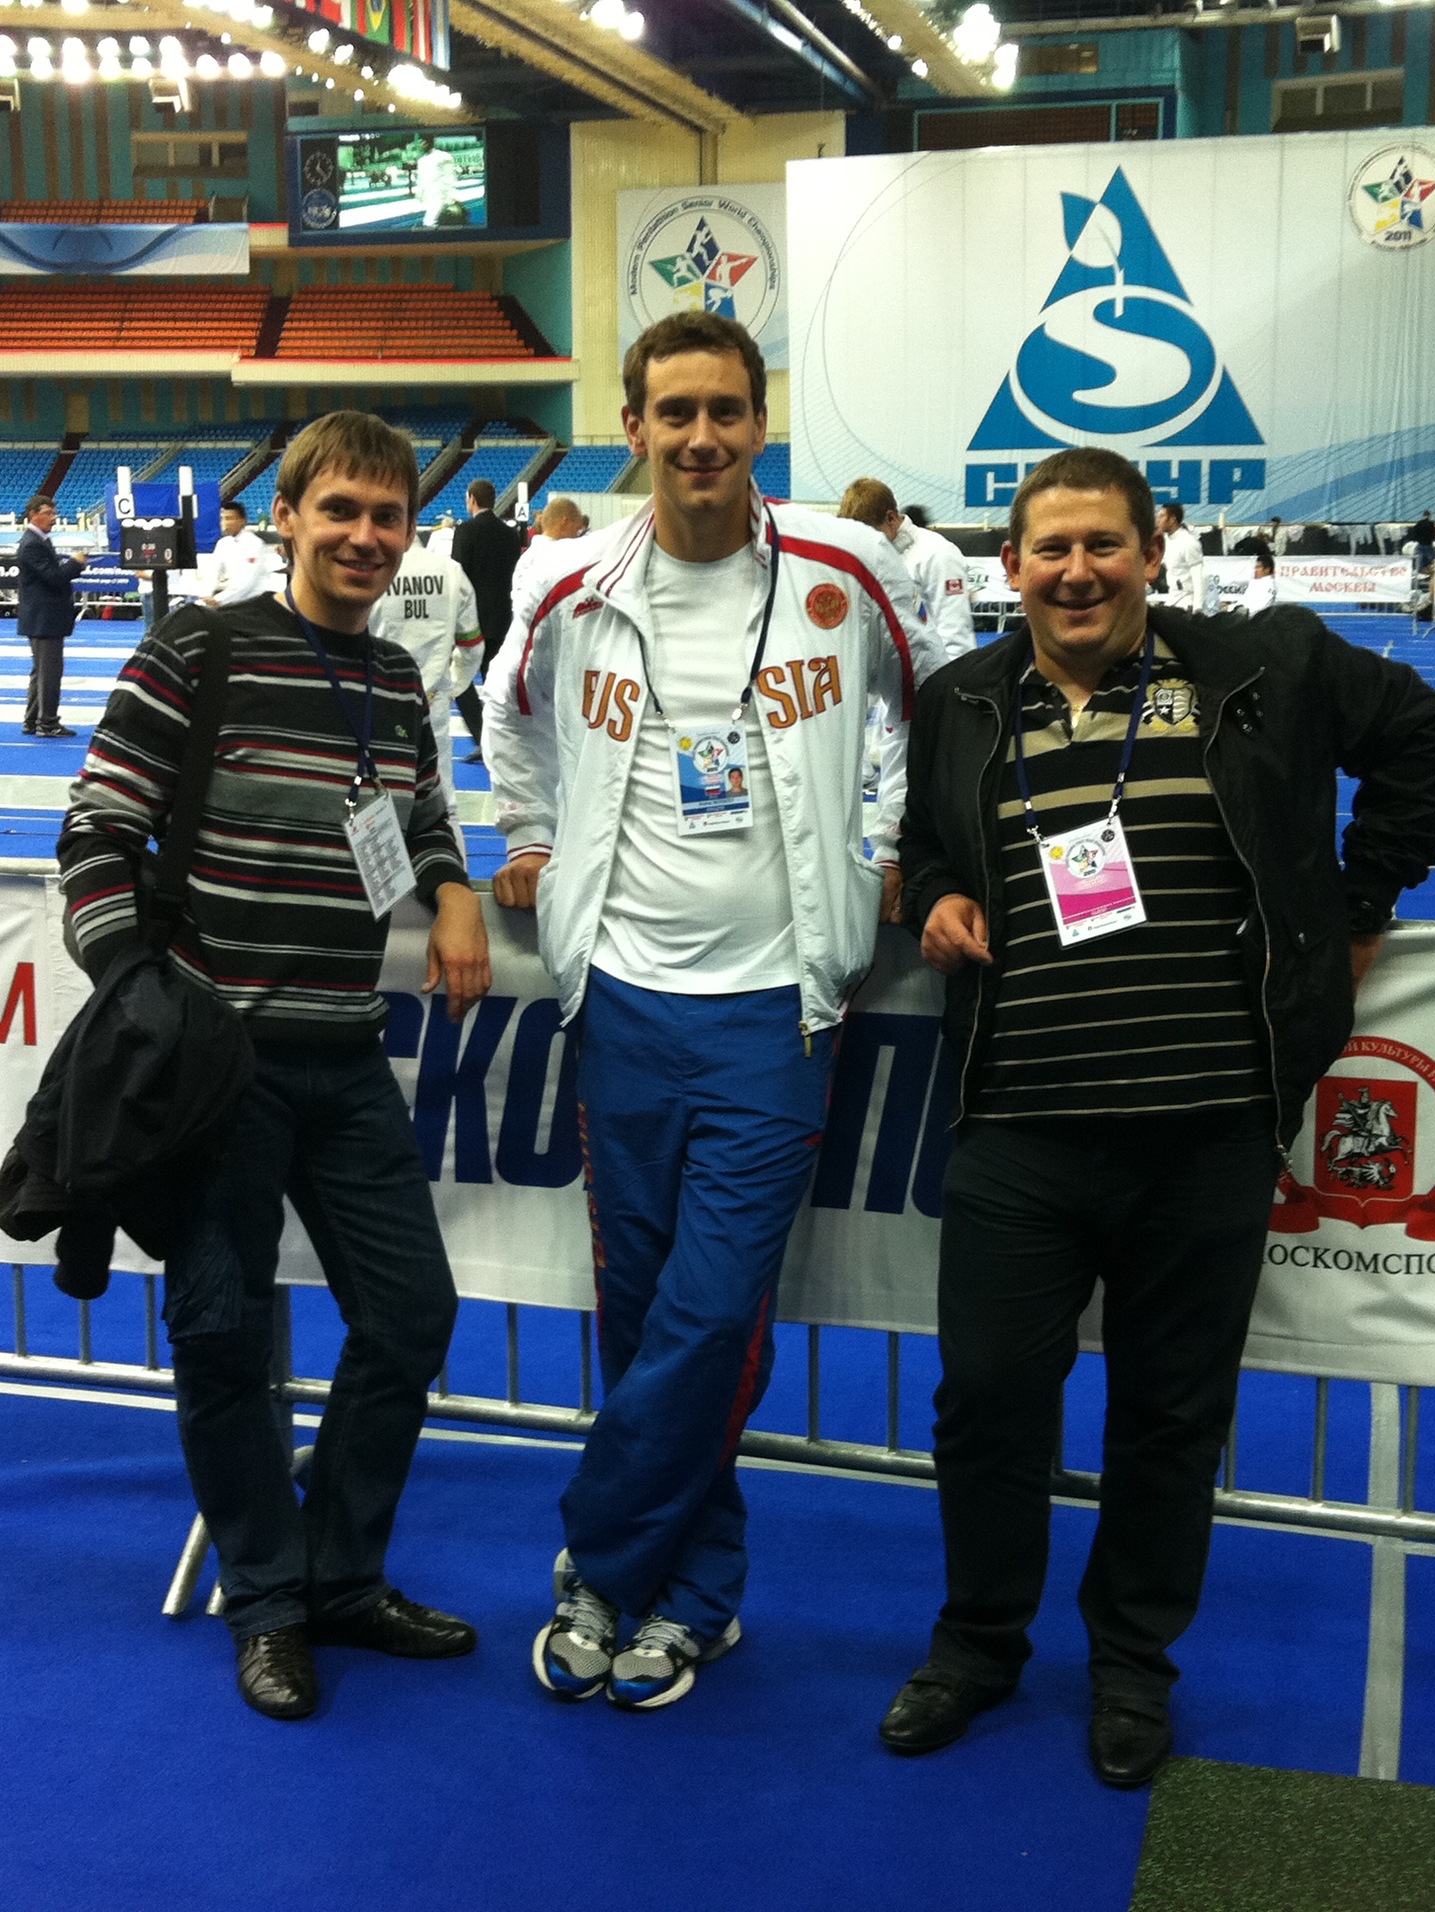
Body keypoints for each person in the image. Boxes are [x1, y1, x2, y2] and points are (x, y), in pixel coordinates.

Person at [878, 444, 1435, 1788]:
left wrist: (1361, 902)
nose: (1076, 571)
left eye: (1104, 544)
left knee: (1169, 1417)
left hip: (1208, 1130)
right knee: (986, 1405)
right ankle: (977, 1643)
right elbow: (929, 842)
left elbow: (1422, 740)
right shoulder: (963, 699)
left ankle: (1133, 1663)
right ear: (1010, 564)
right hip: (1019, 1125)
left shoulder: (1264, 669)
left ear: (1152, 551)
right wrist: (938, 891)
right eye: (1050, 548)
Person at [484, 311, 949, 1712]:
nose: (700, 438)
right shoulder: (568, 580)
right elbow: (510, 716)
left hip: (776, 1011)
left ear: (760, 423)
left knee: (709, 1313)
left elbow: (928, 710)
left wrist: (895, 847)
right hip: (621, 998)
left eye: (726, 412)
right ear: (632, 426)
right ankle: (696, 1597)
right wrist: (529, 833)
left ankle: (596, 1563)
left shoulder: (845, 570)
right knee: (643, 1315)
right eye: (673, 412)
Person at [57, 410, 492, 1723]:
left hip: (346, 1057)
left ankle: (342, 1578)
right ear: (287, 517)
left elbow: (420, 817)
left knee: (409, 1317)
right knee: (220, 1333)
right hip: (218, 1068)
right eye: (339, 509)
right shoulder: (197, 650)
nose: (363, 535)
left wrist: (455, 890)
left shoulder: (394, 679)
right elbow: (95, 838)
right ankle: (265, 1600)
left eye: (386, 515)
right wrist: (140, 997)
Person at [367, 530, 483, 816]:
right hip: (434, 699)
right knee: (442, 798)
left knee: (380, 796)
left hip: (382, 698)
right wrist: (454, 686)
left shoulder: (373, 570)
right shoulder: (451, 571)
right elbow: (472, 646)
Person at [840, 478, 976, 663]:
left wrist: (952, 680)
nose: (862, 542)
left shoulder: (938, 554)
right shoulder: (869, 554)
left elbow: (956, 635)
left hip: (931, 673)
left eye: (868, 533)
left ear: (891, 518)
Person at [449, 477, 524, 759]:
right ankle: (503, 741)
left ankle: (483, 738)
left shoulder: (466, 531)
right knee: (498, 687)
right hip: (503, 619)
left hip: (472, 622)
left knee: (460, 681)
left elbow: (458, 577)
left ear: (472, 499)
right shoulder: (510, 534)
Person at [16, 493, 84, 738]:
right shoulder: (32, 544)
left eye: (54, 513)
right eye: (48, 513)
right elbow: (54, 578)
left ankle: (33, 719)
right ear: (34, 514)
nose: (54, 518)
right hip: (44, 618)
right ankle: (47, 723)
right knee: (50, 673)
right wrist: (75, 564)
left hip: (43, 617)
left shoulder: (39, 540)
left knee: (40, 672)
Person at [197, 500, 283, 609]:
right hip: (234, 601)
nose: (225, 522)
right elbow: (212, 572)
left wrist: (219, 599)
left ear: (242, 521)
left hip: (256, 602)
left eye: (229, 518)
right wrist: (205, 595)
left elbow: (248, 582)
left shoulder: (254, 544)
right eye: (223, 518)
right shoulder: (223, 544)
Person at [1155, 502, 1211, 613]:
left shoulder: (1188, 542)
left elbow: (1199, 576)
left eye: (1162, 516)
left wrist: (1197, 607)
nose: (1158, 520)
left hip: (1188, 601)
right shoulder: (1165, 541)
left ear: (1172, 519)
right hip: (1173, 598)